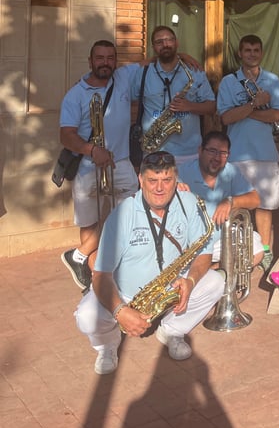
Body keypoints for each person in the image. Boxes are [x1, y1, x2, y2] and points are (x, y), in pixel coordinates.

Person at [74, 150, 225, 375]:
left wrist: (191, 281)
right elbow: (101, 274)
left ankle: (172, 331)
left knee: (215, 282)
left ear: (176, 179)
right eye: (152, 180)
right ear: (141, 179)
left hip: (171, 285)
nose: (159, 188)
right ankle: (107, 346)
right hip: (126, 294)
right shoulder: (123, 213)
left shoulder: (188, 201)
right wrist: (120, 311)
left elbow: (204, 252)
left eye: (167, 180)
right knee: (86, 316)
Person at [59, 40, 141, 291]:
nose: (105, 62)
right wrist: (92, 150)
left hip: (121, 163)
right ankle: (96, 278)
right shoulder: (75, 94)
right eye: (100, 58)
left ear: (116, 61)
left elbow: (154, 61)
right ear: (90, 61)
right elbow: (66, 135)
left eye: (110, 58)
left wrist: (182, 56)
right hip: (88, 166)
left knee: (129, 215)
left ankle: (79, 255)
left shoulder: (123, 78)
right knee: (90, 222)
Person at [216, 35, 279, 271]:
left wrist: (244, 111)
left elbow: (277, 115)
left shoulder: (272, 80)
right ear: (240, 53)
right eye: (247, 50)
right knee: (238, 206)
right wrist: (255, 104)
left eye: (256, 50)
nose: (252, 54)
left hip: (266, 153)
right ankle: (239, 251)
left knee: (265, 206)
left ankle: (265, 250)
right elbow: (226, 118)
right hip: (237, 154)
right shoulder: (228, 82)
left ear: (261, 53)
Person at [177, 131, 263, 269]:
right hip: (190, 241)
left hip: (220, 238)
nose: (217, 158)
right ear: (200, 150)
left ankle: (213, 269)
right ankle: (211, 270)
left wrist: (230, 201)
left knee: (257, 251)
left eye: (223, 153)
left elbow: (255, 199)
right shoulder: (181, 172)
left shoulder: (231, 171)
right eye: (212, 151)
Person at [134, 26, 216, 165]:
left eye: (169, 40)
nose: (165, 44)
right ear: (153, 47)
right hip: (154, 153)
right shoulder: (142, 73)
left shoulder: (195, 71)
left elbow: (212, 107)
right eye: (159, 42)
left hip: (189, 153)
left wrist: (190, 106)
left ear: (176, 42)